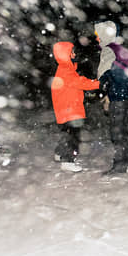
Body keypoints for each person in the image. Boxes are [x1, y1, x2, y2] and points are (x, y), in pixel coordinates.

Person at [94, 20, 128, 174]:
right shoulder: (122, 50)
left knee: (118, 132)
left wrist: (102, 92)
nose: (96, 38)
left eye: (98, 35)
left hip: (118, 97)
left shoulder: (108, 51)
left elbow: (105, 76)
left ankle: (120, 165)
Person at [51, 40, 100, 171]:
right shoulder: (66, 70)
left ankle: (60, 153)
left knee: (68, 133)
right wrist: (98, 83)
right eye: (71, 51)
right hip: (69, 109)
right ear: (65, 54)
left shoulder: (65, 68)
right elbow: (81, 82)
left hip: (66, 108)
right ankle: (67, 161)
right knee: (72, 136)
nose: (74, 53)